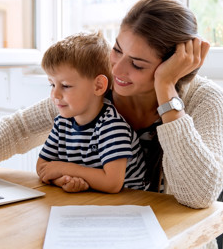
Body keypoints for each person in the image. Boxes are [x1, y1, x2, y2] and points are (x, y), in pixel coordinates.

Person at [0, 0, 223, 211]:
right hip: (105, 225)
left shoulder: (204, 100)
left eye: (137, 64)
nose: (118, 70)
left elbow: (199, 196)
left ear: (174, 65)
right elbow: (21, 127)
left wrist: (165, 90)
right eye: (117, 50)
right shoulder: (101, 88)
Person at [36, 31, 148, 193]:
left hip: (129, 206)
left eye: (65, 86)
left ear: (98, 86)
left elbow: (112, 183)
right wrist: (63, 180)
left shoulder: (112, 126)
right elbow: (43, 168)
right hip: (92, 202)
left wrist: (63, 168)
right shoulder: (62, 123)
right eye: (52, 85)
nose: (55, 94)